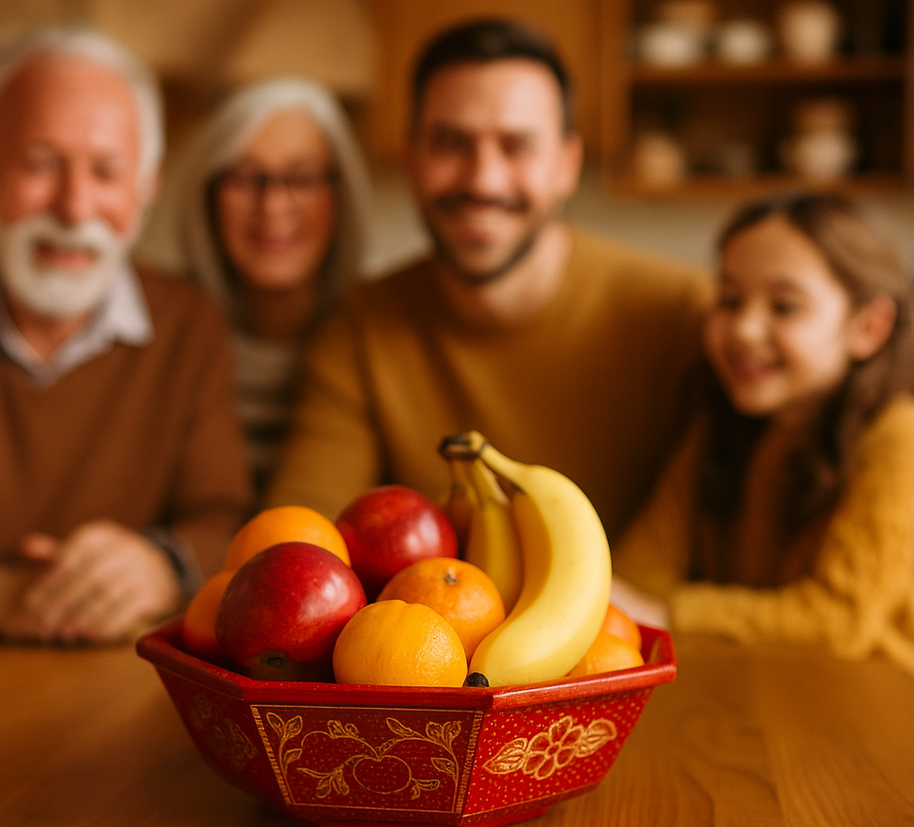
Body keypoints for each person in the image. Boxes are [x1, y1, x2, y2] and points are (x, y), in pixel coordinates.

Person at [267, 18, 713, 538]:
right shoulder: (361, 326)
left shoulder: (683, 313)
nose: (483, 179)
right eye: (452, 143)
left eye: (517, 145)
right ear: (412, 159)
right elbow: (300, 543)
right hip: (432, 615)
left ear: (567, 164)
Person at [0, 27, 252, 644]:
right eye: (40, 164)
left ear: (147, 187)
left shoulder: (188, 327)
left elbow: (227, 524)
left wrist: (161, 563)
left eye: (108, 172)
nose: (75, 207)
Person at [611, 193, 914, 674]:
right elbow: (635, 577)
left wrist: (671, 613)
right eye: (730, 300)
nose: (745, 330)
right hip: (747, 687)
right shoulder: (724, 426)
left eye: (785, 306)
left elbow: (838, 622)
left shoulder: (898, 439)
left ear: (869, 327)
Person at [138, 79, 372, 497]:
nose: (273, 206)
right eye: (245, 179)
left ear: (343, 194)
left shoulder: (373, 338)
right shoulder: (160, 334)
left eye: (301, 178)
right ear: (207, 196)